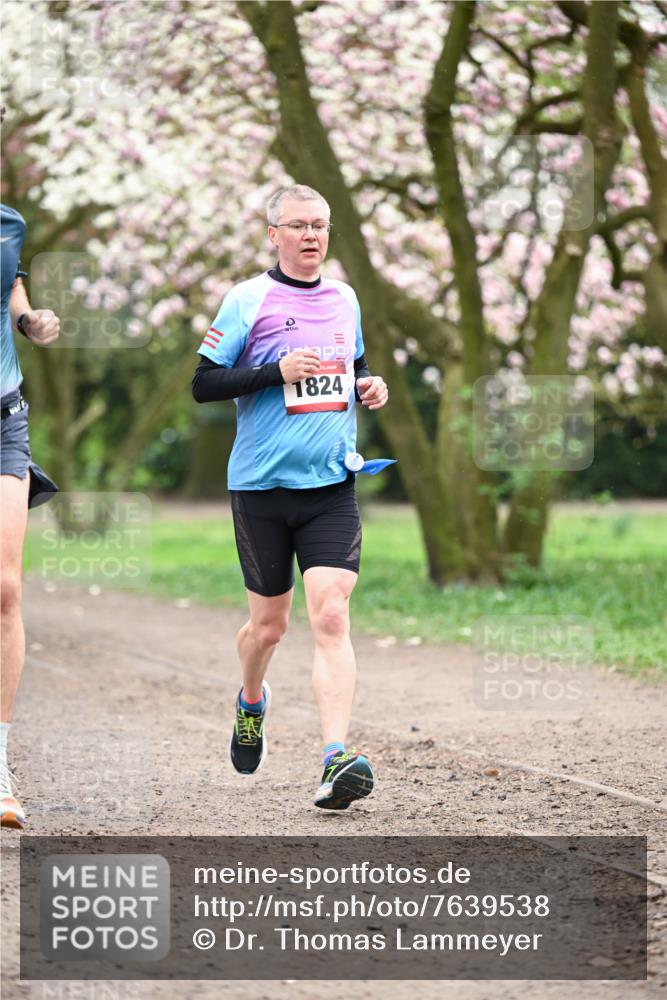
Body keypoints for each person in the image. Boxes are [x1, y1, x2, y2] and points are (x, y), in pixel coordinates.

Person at [192, 184, 389, 810]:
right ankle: (252, 699)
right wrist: (274, 372)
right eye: (299, 225)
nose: (312, 236)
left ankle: (335, 760)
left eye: (321, 226)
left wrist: (367, 386)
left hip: (331, 483)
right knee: (269, 628)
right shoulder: (248, 299)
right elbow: (202, 384)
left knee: (331, 614)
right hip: (261, 488)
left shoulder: (346, 298)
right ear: (272, 233)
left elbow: (350, 366)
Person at [0, 199, 60, 829]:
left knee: (6, 589)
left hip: (3, 419)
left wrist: (29, 319)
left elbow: (9, 278)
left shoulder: (8, 222)